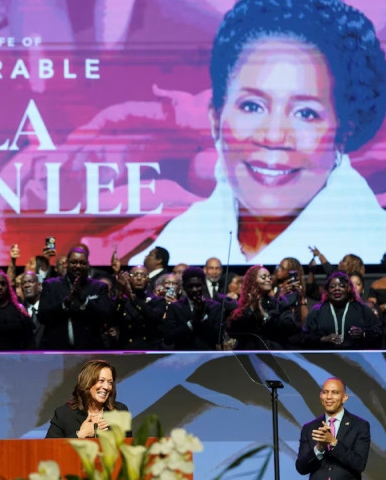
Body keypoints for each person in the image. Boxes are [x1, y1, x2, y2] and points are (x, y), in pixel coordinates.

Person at [130, 0, 386, 265]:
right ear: (215, 118)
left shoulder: (375, 247)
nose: (274, 136)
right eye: (252, 106)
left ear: (343, 132)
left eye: (306, 113)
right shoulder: (179, 243)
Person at [38, 247, 113, 350]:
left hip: (89, 350)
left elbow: (106, 315)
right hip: (56, 351)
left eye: (82, 263)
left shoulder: (99, 287)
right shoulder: (51, 285)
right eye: (74, 262)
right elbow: (42, 316)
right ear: (67, 264)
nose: (78, 266)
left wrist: (84, 300)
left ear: (88, 265)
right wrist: (66, 302)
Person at [296, 377, 370, 479]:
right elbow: (301, 468)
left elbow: (359, 464)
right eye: (325, 392)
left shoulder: (359, 426)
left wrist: (333, 442)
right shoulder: (309, 428)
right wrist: (319, 448)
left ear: (344, 397)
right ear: (321, 395)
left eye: (334, 392)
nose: (329, 397)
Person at [46, 359, 129, 438]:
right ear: (87, 382)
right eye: (101, 380)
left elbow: (128, 448)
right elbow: (48, 449)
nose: (106, 387)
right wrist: (81, 434)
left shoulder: (120, 411)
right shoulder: (64, 414)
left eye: (110, 382)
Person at [300, 272, 382, 350]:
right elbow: (304, 337)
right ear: (327, 291)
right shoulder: (317, 311)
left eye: (341, 286)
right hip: (324, 360)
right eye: (332, 287)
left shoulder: (362, 309)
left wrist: (363, 334)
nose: (337, 289)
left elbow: (378, 332)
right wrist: (323, 338)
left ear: (349, 289)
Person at [227, 265, 299, 350]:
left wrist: (265, 316)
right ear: (253, 281)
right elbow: (233, 331)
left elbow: (289, 327)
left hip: (274, 354)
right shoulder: (242, 305)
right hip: (248, 355)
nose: (268, 280)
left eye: (269, 277)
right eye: (263, 277)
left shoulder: (278, 303)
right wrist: (252, 308)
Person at [160, 267, 225, 350]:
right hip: (182, 357)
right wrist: (192, 323)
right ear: (184, 287)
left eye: (198, 286)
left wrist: (203, 318)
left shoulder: (215, 307)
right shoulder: (175, 307)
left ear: (204, 285)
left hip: (207, 356)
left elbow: (218, 338)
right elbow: (168, 338)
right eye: (190, 286)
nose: (194, 290)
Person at [113, 266, 165, 350]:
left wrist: (132, 296)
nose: (139, 278)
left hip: (149, 348)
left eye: (143, 275)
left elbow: (154, 317)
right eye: (135, 275)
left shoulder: (157, 301)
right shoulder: (122, 300)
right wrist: (120, 292)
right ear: (129, 279)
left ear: (148, 280)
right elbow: (113, 318)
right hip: (125, 348)